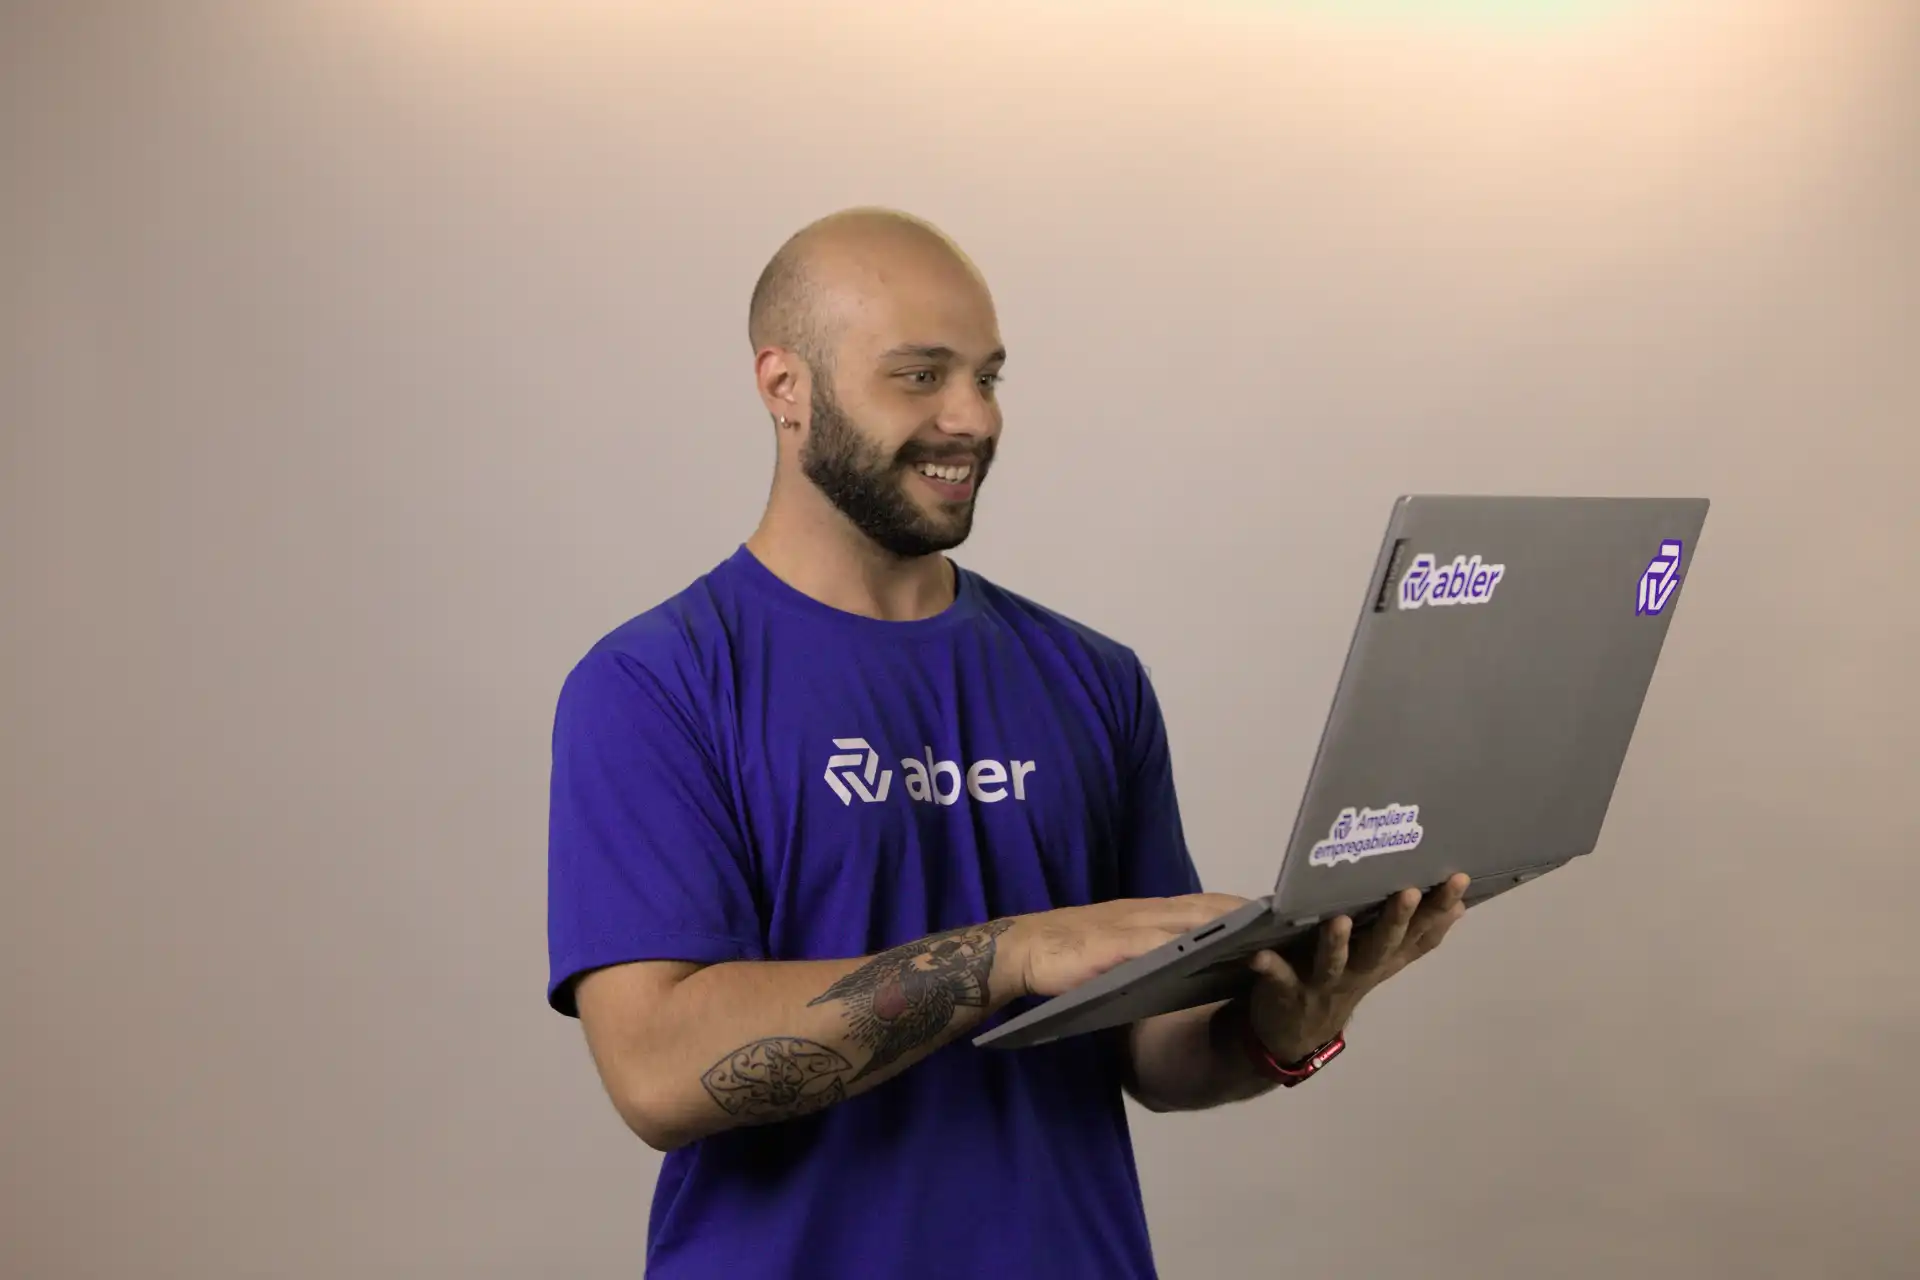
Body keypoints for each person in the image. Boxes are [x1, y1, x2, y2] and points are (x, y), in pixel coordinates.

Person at [545, 207, 1470, 1279]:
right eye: (919, 375)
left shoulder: (1093, 679)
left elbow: (1149, 1047)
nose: (969, 419)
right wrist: (1014, 951)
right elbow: (658, 1071)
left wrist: (1285, 1019)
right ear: (783, 386)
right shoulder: (655, 683)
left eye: (987, 377)